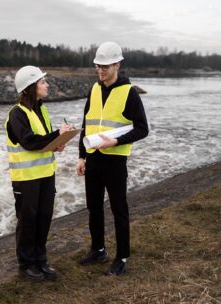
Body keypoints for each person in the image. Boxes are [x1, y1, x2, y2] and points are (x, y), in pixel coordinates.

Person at [76, 42, 149, 276]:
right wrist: (81, 156)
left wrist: (116, 141)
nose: (101, 71)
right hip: (93, 159)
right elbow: (85, 125)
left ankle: (122, 257)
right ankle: (98, 249)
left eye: (105, 66)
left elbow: (142, 129)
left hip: (115, 162)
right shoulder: (94, 89)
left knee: (119, 210)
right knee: (94, 208)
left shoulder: (129, 93)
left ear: (117, 64)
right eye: (98, 66)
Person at [5, 65, 73, 281]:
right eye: (42, 82)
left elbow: (43, 141)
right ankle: (26, 265)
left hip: (45, 174)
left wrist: (57, 143)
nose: (47, 84)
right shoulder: (17, 114)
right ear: (30, 87)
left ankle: (40, 260)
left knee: (44, 218)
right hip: (26, 179)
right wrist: (55, 136)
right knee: (28, 220)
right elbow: (29, 141)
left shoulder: (41, 109)